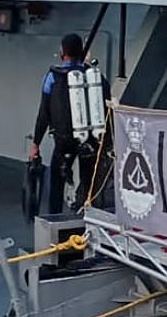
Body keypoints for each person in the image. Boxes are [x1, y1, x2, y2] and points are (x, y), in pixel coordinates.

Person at [30, 33, 111, 214]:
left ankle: (55, 222)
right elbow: (106, 106)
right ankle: (90, 221)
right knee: (89, 184)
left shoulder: (53, 77)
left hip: (64, 140)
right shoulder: (95, 77)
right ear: (82, 52)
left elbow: (44, 113)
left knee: (56, 182)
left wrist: (36, 143)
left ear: (62, 52)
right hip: (90, 139)